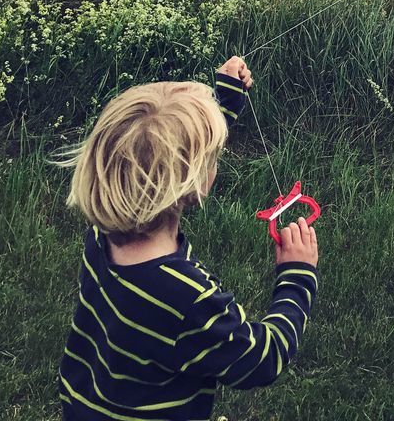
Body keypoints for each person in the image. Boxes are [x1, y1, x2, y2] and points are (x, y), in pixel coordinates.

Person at [53, 56, 319, 419]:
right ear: (195, 183)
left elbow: (164, 157)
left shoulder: (101, 236)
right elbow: (261, 360)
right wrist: (296, 276)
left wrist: (223, 102)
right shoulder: (189, 298)